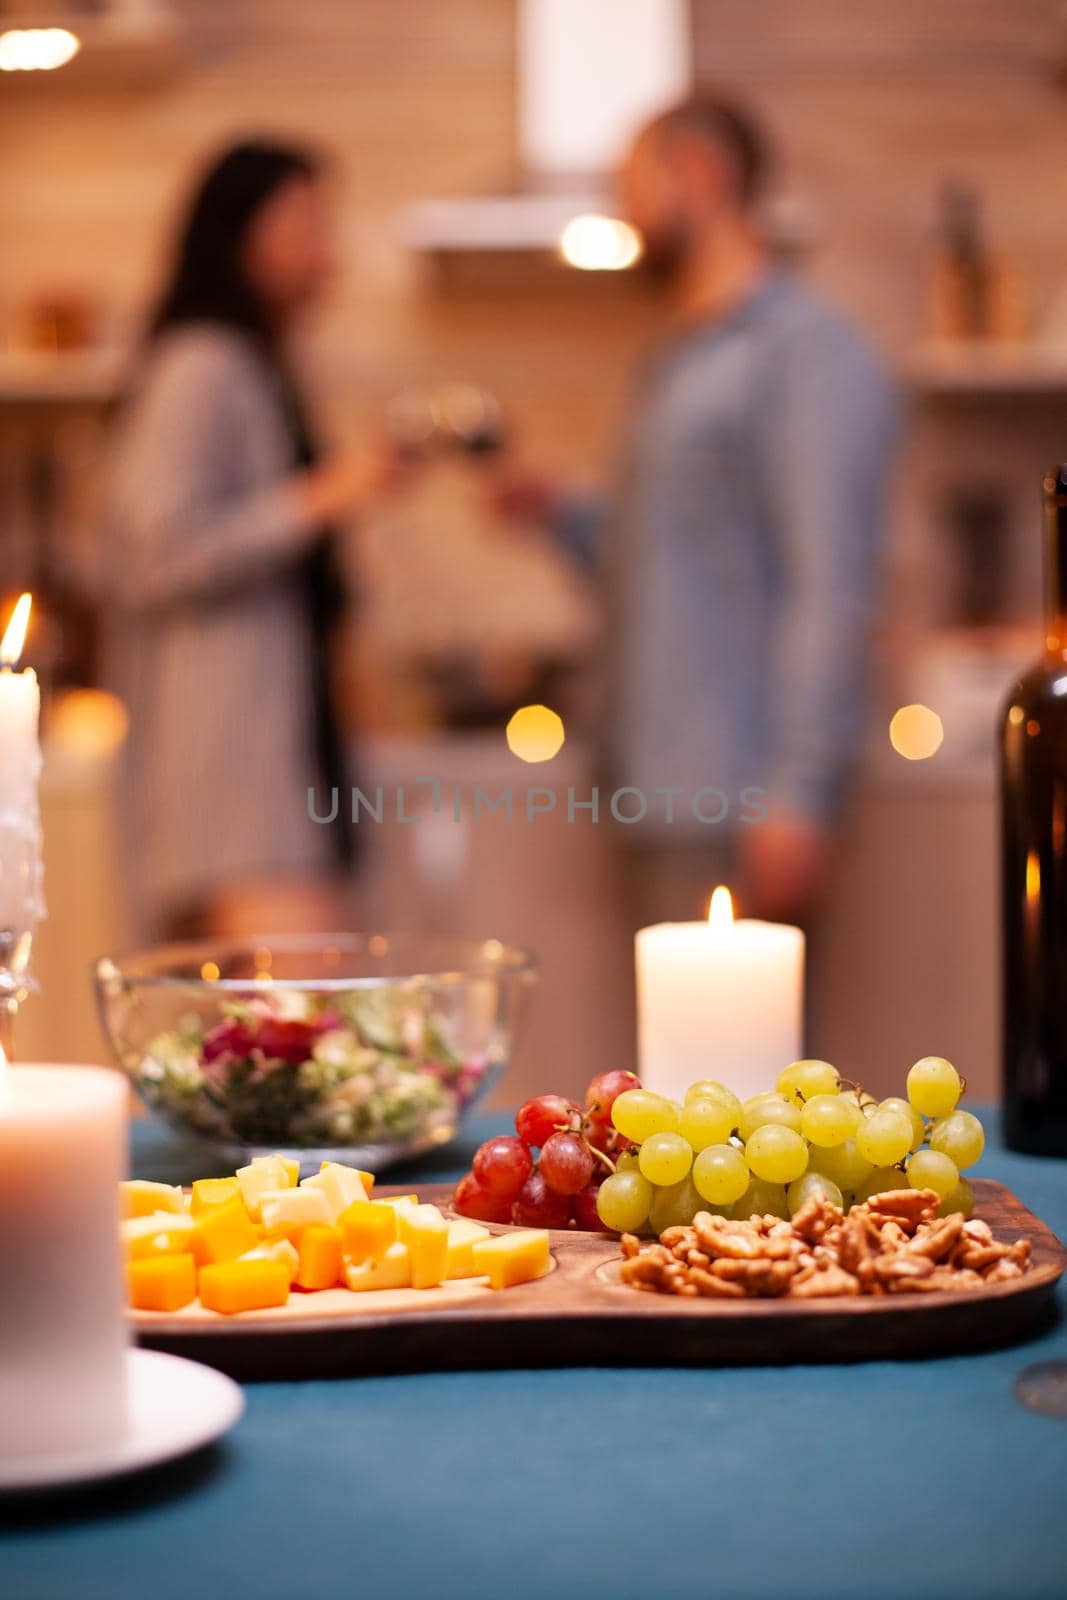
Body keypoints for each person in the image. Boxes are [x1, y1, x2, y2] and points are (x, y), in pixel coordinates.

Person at [498, 94, 899, 927]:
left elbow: (831, 580)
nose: (625, 214)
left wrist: (798, 791)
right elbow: (654, 565)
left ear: (701, 174)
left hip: (739, 796)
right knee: (670, 1058)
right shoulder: (676, 361)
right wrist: (560, 514)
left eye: (632, 187)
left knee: (747, 1058)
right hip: (652, 788)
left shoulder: (805, 351)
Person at [103, 139, 400, 939]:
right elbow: (157, 551)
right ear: (239, 234)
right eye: (307, 225)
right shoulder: (203, 365)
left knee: (259, 1041)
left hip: (260, 779)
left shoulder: (254, 366)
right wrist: (325, 495)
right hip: (230, 783)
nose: (327, 254)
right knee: (306, 1024)